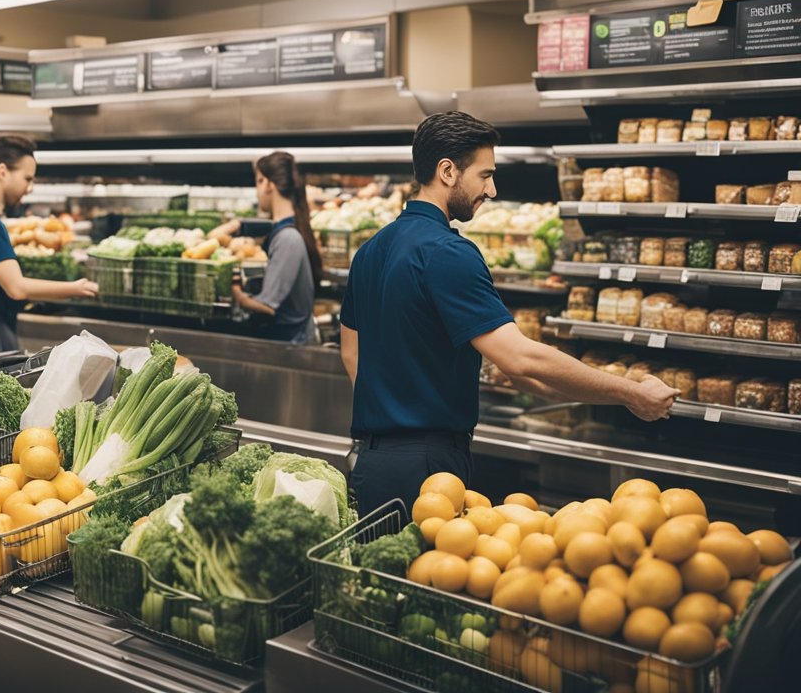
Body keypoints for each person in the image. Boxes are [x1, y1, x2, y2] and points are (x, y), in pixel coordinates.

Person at [339, 113, 678, 517]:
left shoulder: (371, 250)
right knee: (428, 576)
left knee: (379, 575)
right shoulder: (448, 252)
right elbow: (520, 358)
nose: (493, 190)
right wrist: (631, 392)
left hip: (370, 462)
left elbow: (351, 352)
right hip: (428, 470)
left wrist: (393, 408)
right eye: (485, 175)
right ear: (447, 171)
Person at [0, 135, 98, 356]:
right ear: (3, 172)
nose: (29, 188)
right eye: (27, 178)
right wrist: (75, 288)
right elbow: (17, 287)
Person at [212, 151, 321, 344]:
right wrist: (238, 225)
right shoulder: (285, 229)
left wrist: (234, 289)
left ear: (269, 184)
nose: (257, 191)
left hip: (292, 346)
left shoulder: (288, 238)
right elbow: (217, 235)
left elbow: (266, 306)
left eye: (258, 181)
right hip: (288, 341)